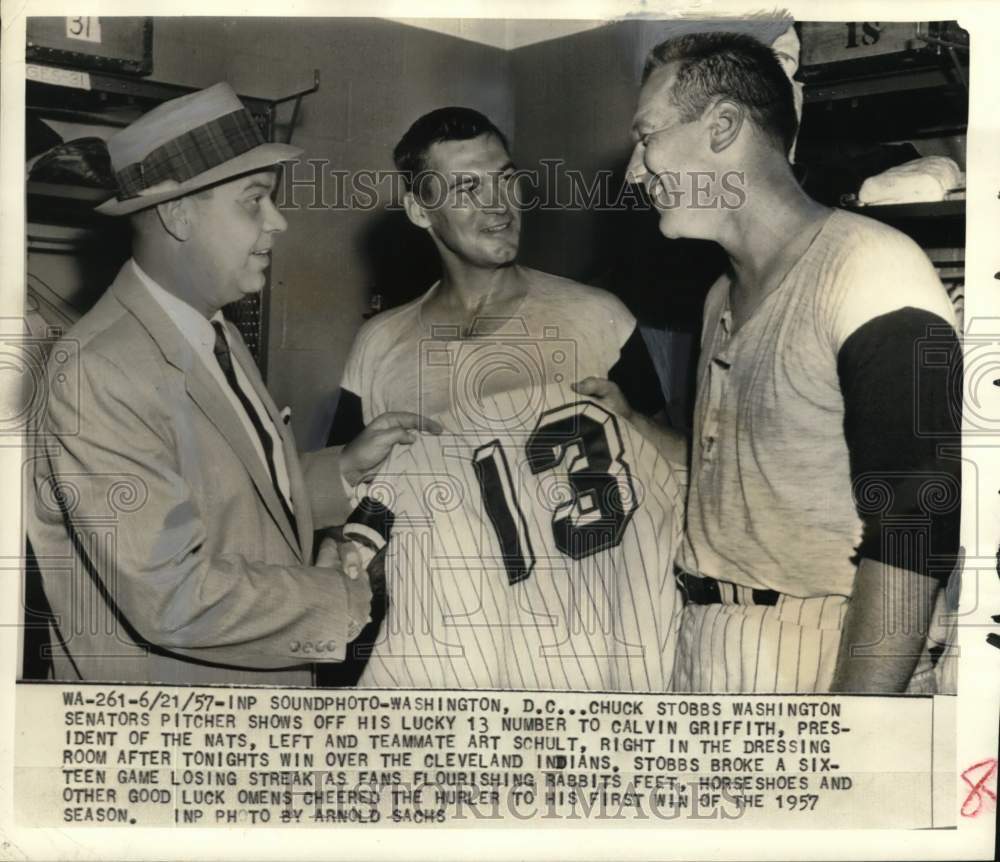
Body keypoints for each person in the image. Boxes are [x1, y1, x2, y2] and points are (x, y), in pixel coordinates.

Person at [26, 82, 436, 686]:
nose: (279, 222)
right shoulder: (97, 371)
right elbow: (173, 598)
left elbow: (231, 496)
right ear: (177, 213)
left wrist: (342, 469)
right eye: (254, 201)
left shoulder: (211, 329)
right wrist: (346, 598)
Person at [589, 31, 961, 693]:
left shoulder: (868, 267)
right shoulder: (718, 297)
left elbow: (914, 527)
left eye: (646, 139)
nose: (633, 174)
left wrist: (857, 732)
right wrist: (631, 422)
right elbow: (748, 481)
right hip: (708, 640)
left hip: (822, 656)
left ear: (723, 126)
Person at [327, 106, 668, 445]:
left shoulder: (601, 316)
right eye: (467, 188)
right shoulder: (377, 344)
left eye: (505, 178)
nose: (499, 204)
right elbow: (343, 483)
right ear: (420, 211)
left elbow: (672, 474)